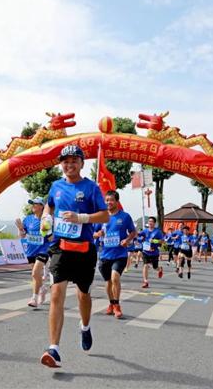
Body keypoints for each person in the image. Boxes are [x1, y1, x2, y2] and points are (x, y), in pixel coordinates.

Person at [40, 145, 108, 368]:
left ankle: (85, 326)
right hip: (60, 248)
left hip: (84, 250)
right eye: (65, 161)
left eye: (74, 161)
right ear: (61, 164)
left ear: (81, 163)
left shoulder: (91, 187)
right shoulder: (56, 186)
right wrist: (46, 218)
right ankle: (54, 349)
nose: (69, 165)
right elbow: (49, 207)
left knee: (83, 295)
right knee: (56, 294)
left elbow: (105, 216)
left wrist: (82, 218)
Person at [96, 190, 136, 319]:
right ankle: (111, 303)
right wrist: (98, 234)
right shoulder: (101, 217)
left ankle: (117, 305)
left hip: (120, 254)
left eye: (111, 200)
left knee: (115, 278)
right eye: (107, 200)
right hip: (105, 255)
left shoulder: (125, 216)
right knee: (108, 282)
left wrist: (127, 240)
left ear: (117, 201)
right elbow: (93, 233)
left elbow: (133, 232)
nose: (108, 202)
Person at [18, 197, 52, 307]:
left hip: (43, 250)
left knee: (35, 273)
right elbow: (22, 235)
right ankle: (42, 288)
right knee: (35, 275)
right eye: (32, 204)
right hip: (31, 250)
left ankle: (34, 298)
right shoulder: (27, 219)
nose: (33, 206)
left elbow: (51, 238)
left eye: (35, 204)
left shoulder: (46, 219)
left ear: (42, 206)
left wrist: (48, 232)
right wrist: (20, 229)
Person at [138, 216, 164, 288]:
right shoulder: (145, 231)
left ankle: (160, 269)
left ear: (154, 223)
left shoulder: (158, 231)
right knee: (145, 265)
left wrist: (154, 241)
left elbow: (162, 241)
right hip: (145, 251)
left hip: (154, 252)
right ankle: (145, 282)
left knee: (155, 267)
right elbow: (138, 234)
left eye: (151, 221)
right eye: (149, 221)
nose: (150, 222)